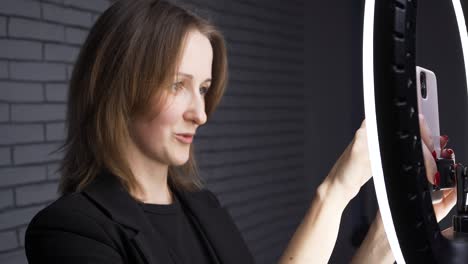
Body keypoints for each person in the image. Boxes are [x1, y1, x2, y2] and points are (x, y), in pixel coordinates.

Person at [24, 0, 457, 263]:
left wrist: (390, 235)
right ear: (119, 86)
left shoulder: (202, 207)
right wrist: (335, 192)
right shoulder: (68, 232)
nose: (201, 114)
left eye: (205, 88)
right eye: (178, 85)